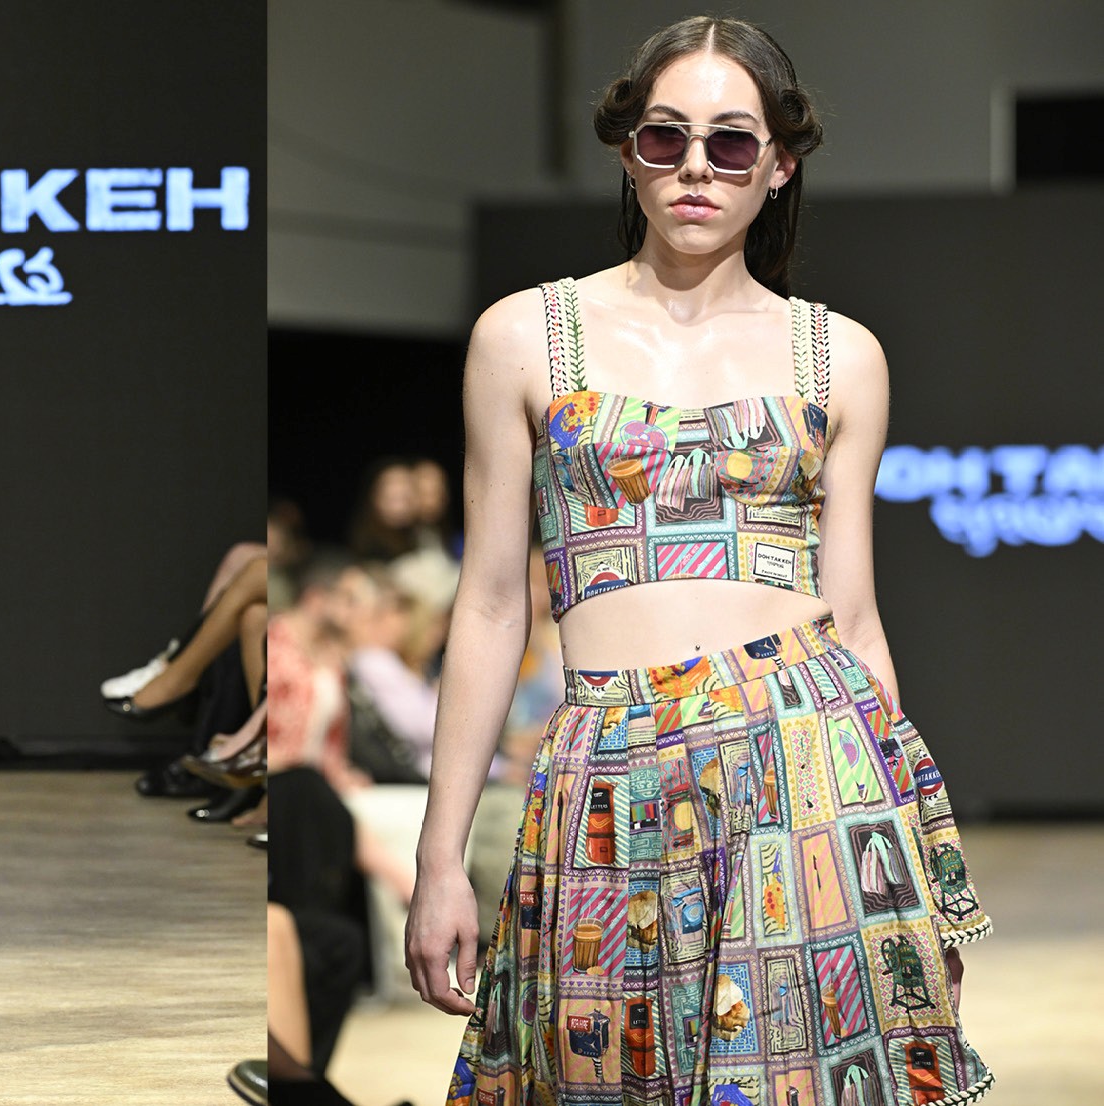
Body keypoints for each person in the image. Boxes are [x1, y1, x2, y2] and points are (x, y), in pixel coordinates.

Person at [403, 17, 993, 1105]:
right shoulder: (525, 336)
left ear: (779, 164)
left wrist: (905, 869)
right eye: (665, 136)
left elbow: (855, 618)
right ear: (628, 150)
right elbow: (488, 606)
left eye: (730, 143)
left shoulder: (840, 354)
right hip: (606, 768)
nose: (695, 168)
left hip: (807, 763)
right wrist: (440, 859)